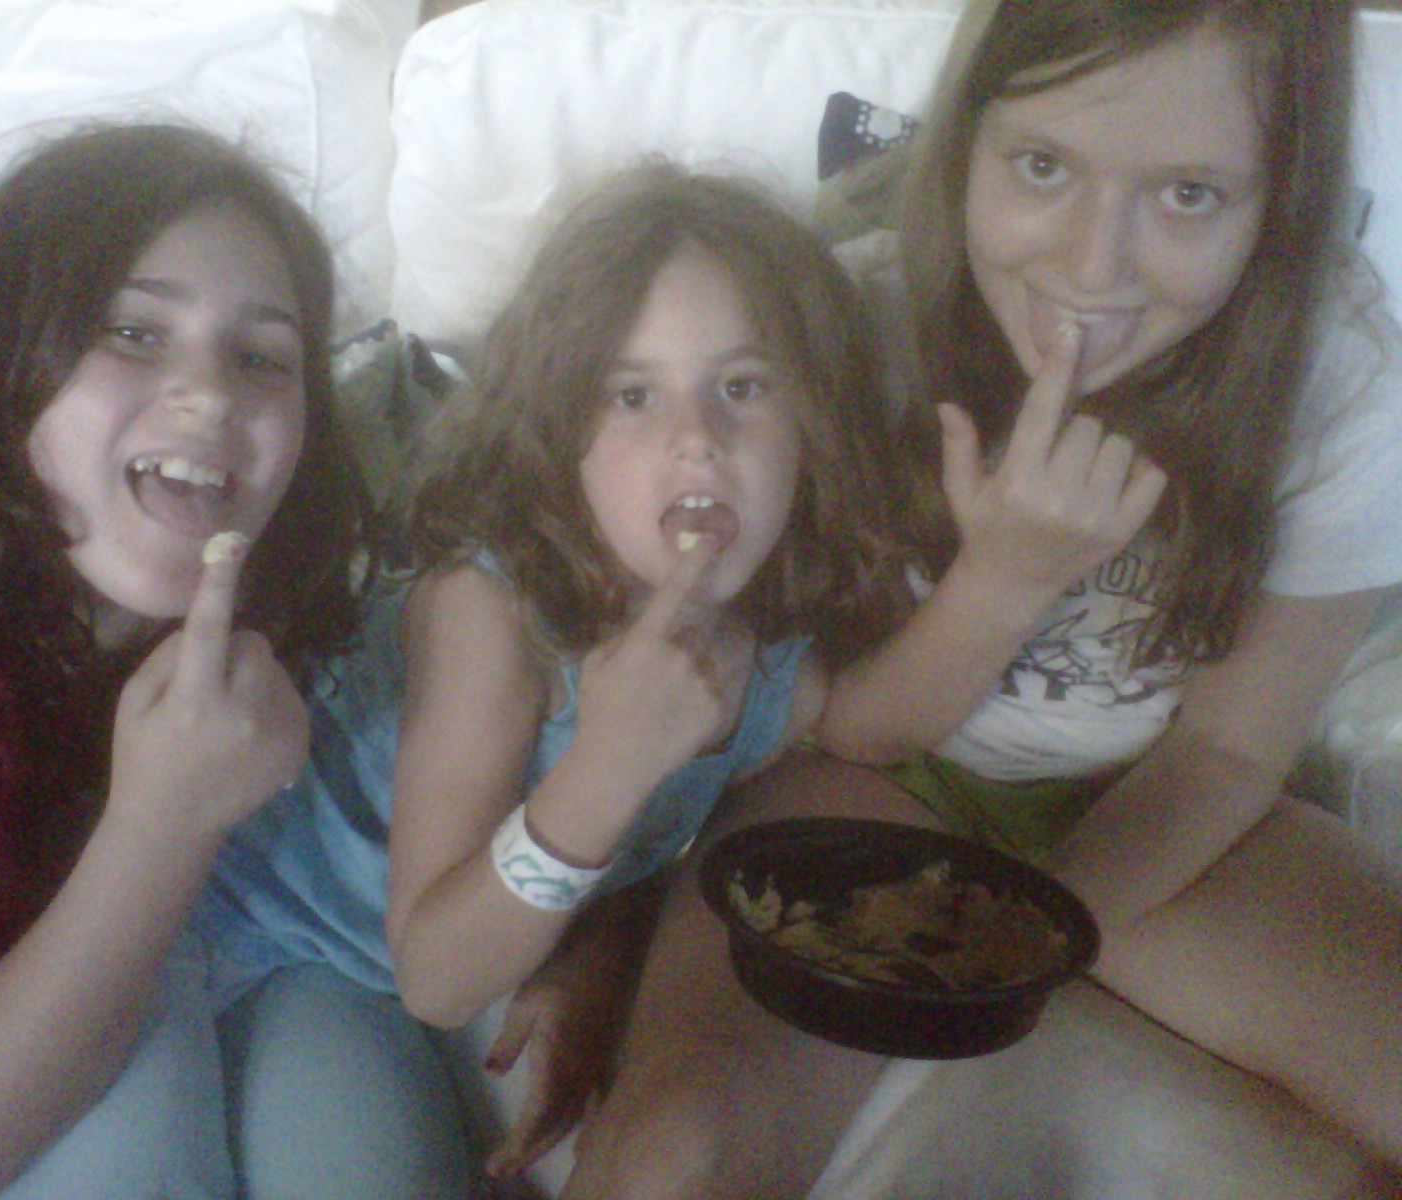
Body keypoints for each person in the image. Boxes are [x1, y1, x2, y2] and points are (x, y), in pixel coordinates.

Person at [560, 1, 1402, 1196]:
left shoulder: (1342, 380)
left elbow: (1226, 751)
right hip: (861, 772)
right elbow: (735, 682)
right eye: (1043, 166)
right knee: (670, 1158)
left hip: (1160, 796)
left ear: (1279, 202)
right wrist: (598, 931)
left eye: (1188, 195)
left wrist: (1022, 938)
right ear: (966, 141)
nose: (1092, 268)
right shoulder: (842, 314)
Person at [199, 159, 919, 1184]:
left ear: (815, 426)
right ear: (555, 435)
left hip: (479, 946)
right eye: (632, 395)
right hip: (283, 941)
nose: (696, 441)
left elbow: (859, 732)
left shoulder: (775, 660)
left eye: (743, 387)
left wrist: (606, 942)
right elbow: (435, 975)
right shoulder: (490, 614)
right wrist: (608, 768)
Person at [0, 122, 368, 1199]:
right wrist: (167, 821)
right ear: (4, 356)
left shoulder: (221, 588)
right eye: (134, 332)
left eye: (261, 357)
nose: (211, 395)